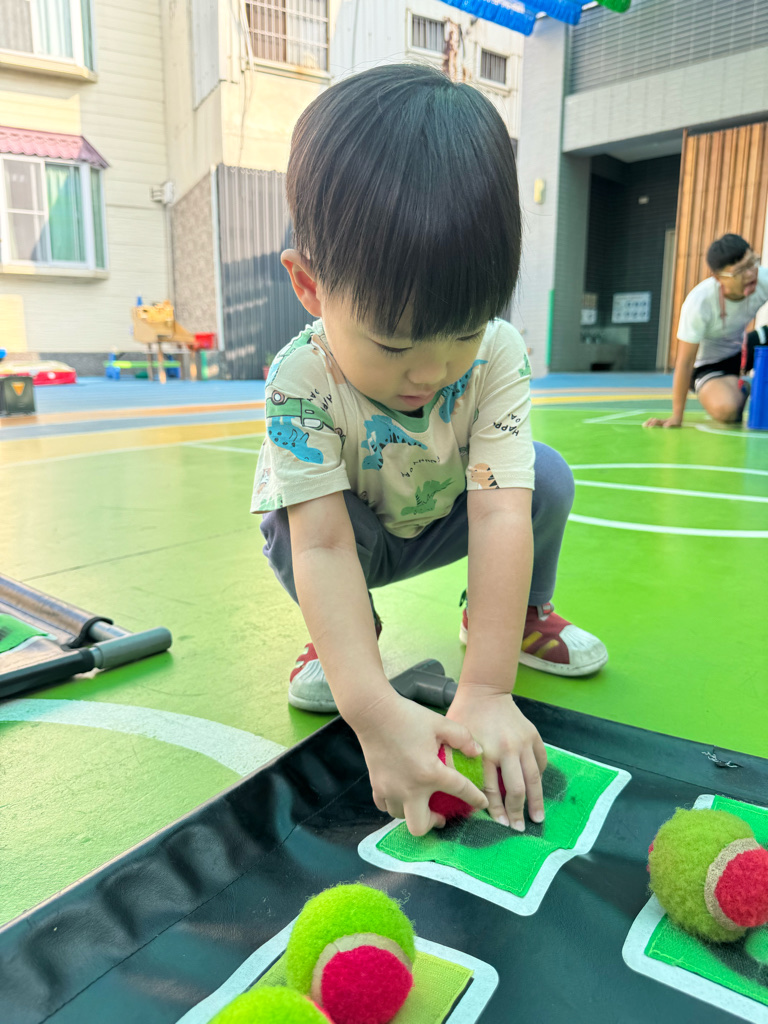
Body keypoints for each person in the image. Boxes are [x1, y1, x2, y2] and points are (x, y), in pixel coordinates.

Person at [252, 63, 607, 839]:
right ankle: (348, 641)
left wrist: (486, 687)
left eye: (464, 333)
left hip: (451, 513)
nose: (431, 372)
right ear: (309, 286)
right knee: (286, 519)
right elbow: (322, 547)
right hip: (352, 541)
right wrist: (371, 708)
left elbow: (502, 512)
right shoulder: (299, 380)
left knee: (544, 478)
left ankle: (516, 618)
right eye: (392, 343)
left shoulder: (499, 353)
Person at [644, 234, 768, 429]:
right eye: (740, 271)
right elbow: (685, 362)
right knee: (727, 410)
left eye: (752, 262)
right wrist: (677, 416)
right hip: (710, 366)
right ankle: (743, 387)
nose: (750, 274)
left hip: (743, 349)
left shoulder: (763, 278)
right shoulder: (699, 303)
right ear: (719, 278)